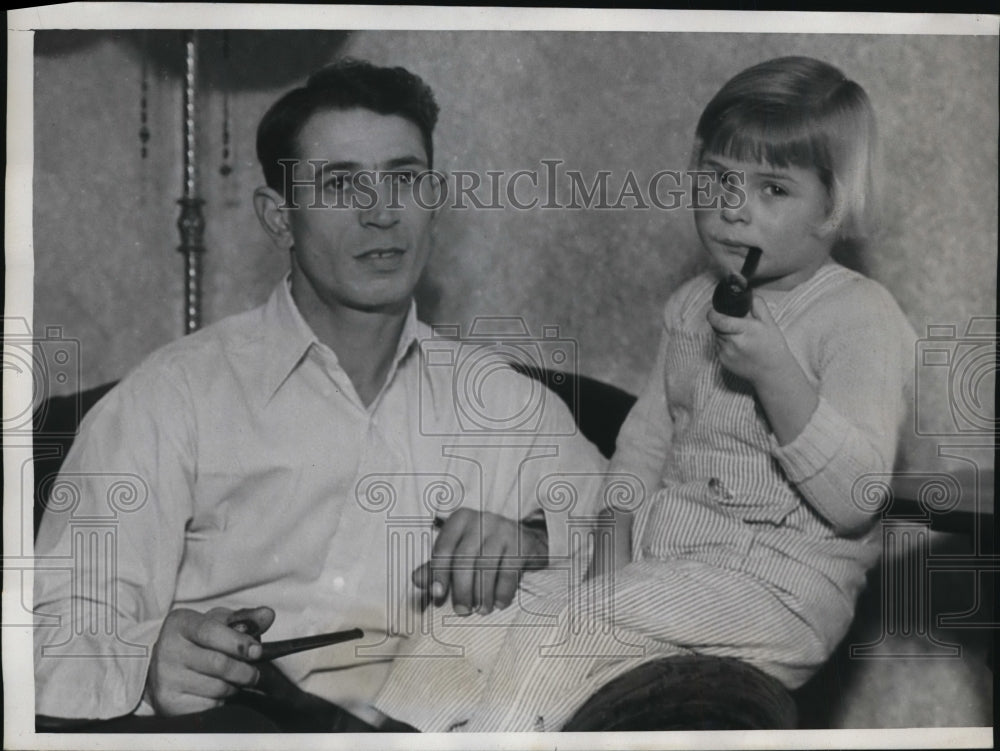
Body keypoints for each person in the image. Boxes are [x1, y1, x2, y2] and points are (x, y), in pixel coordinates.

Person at [33, 59, 605, 732]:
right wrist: (147, 658)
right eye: (340, 184)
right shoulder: (171, 398)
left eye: (404, 178)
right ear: (280, 218)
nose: (382, 212)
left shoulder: (512, 408)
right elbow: (48, 629)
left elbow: (649, 547)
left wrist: (534, 540)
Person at [372, 56, 918, 732]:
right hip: (668, 562)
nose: (731, 207)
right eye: (718, 178)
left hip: (781, 590)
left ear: (833, 206)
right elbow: (643, 443)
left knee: (582, 623)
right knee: (476, 613)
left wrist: (778, 373)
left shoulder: (861, 316)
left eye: (772, 189)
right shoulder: (691, 307)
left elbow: (859, 496)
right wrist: (612, 528)